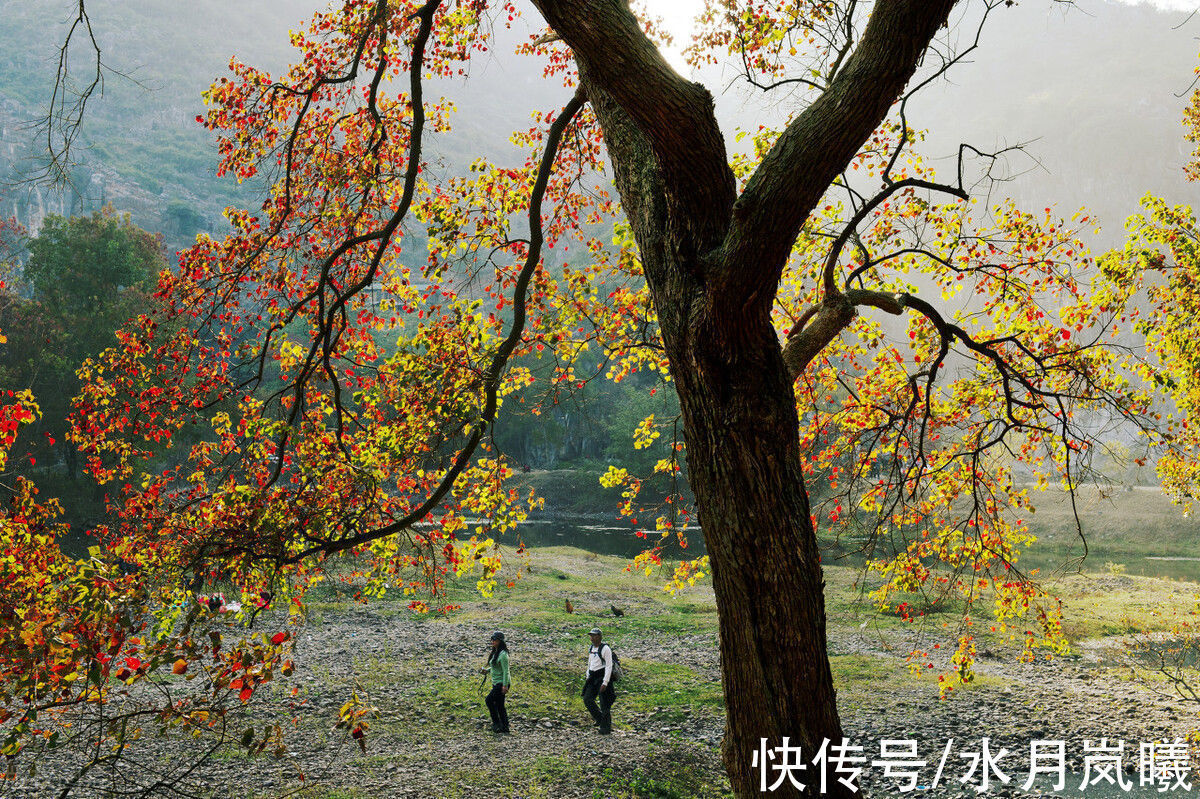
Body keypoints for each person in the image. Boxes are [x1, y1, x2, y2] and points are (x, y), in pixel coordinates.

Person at [582, 627, 615, 734]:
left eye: (594, 636)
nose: (591, 638)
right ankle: (600, 719)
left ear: (599, 637)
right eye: (591, 636)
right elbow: (590, 663)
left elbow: (609, 666)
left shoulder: (605, 649)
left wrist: (605, 682)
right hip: (592, 677)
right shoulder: (591, 648)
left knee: (604, 704)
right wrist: (588, 675)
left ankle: (606, 728)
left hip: (602, 677)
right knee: (587, 699)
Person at [482, 630, 510, 733]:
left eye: (495, 640)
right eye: (492, 639)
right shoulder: (495, 652)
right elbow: (495, 668)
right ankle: (504, 726)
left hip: (501, 683)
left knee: (489, 700)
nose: (492, 641)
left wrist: (505, 685)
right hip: (497, 682)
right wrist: (487, 670)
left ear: (500, 641)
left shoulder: (503, 655)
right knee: (499, 705)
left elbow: (506, 671)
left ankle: (497, 723)